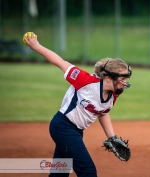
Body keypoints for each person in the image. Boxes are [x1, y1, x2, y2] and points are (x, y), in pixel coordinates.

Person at [24, 32, 132, 177]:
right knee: (88, 171)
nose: (124, 82)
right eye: (122, 78)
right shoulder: (85, 81)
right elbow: (60, 62)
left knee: (59, 172)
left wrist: (111, 137)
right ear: (108, 78)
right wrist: (36, 46)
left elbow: (103, 112)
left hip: (76, 131)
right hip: (62, 125)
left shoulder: (113, 95)